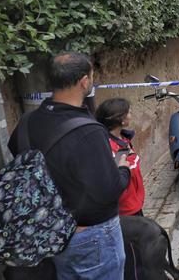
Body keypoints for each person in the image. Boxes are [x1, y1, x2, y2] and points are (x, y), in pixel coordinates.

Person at [8, 52, 131, 280]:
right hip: (91, 234)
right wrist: (122, 168)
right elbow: (108, 191)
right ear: (84, 81)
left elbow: (20, 157)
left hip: (53, 232)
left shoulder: (27, 122)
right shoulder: (89, 132)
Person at [96, 98, 145, 216]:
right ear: (121, 120)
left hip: (135, 201)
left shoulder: (124, 139)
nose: (130, 114)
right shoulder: (111, 147)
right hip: (126, 208)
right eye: (128, 112)